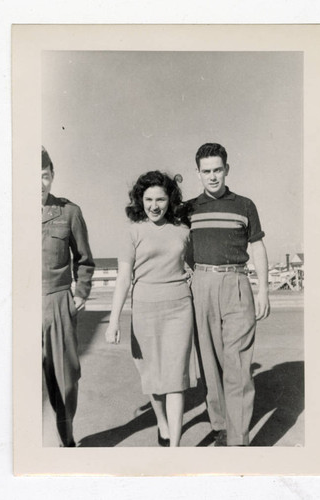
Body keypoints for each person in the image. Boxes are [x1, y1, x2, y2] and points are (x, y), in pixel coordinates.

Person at [186, 143, 270, 446]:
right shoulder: (189, 209)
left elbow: (257, 246)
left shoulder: (245, 205)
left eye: (217, 170)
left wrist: (264, 290)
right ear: (198, 173)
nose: (212, 176)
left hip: (236, 283)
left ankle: (237, 439)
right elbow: (180, 248)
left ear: (226, 170)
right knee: (210, 362)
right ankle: (220, 424)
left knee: (237, 365)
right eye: (206, 171)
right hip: (201, 285)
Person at [105, 171, 196, 447]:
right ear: (139, 200)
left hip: (180, 307)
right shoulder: (132, 232)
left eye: (161, 199)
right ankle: (162, 421)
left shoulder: (183, 230)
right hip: (144, 310)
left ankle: (175, 450)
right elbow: (123, 278)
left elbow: (191, 264)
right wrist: (113, 322)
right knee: (152, 376)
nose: (154, 205)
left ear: (171, 200)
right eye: (148, 199)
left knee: (176, 378)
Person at [42, 146, 95, 447]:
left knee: (66, 378)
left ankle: (67, 438)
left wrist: (80, 294)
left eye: (45, 176)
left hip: (59, 301)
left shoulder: (69, 212)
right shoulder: (6, 209)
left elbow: (84, 259)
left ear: (52, 176)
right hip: (20, 306)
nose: (39, 184)